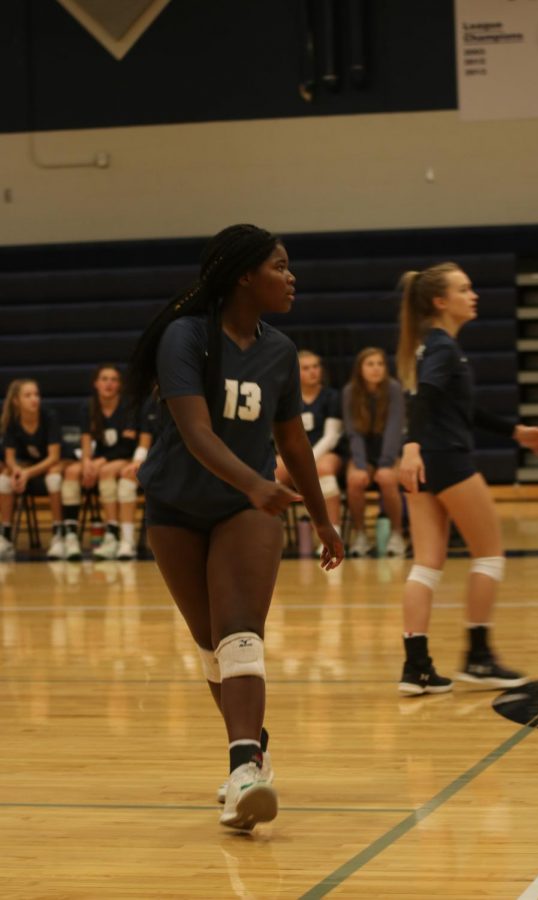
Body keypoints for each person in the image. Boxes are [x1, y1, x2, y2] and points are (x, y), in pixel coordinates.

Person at [126, 224, 344, 832]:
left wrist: (322, 518)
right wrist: (254, 480)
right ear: (245, 274)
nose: (291, 276)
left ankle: (245, 771)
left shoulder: (280, 351)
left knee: (240, 631)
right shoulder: (185, 337)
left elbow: (293, 440)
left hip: (246, 510)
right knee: (211, 648)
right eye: (280, 266)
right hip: (176, 508)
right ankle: (254, 744)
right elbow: (195, 433)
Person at [396, 262, 538, 694]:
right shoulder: (443, 348)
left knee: (427, 564)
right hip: (445, 459)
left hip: (427, 461)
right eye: (464, 289)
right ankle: (479, 658)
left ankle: (417, 668)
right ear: (440, 301)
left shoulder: (432, 347)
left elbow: (460, 410)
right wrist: (411, 446)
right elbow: (427, 400)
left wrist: (516, 432)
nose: (475, 295)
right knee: (489, 554)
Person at [61, 364, 137, 561]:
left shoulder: (128, 407)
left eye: (113, 379)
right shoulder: (88, 407)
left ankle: (112, 534)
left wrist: (99, 462)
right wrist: (87, 463)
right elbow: (85, 440)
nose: (109, 383)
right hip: (98, 460)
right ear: (96, 383)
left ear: (119, 385)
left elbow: (127, 447)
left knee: (106, 472)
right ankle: (69, 536)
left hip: (123, 458)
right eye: (104, 379)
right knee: (71, 472)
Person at [275, 349, 343, 553]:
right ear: (296, 372)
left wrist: (304, 461)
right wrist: (294, 461)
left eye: (316, 367)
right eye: (306, 368)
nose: (313, 372)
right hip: (294, 455)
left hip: (325, 453)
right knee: (274, 470)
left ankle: (333, 538)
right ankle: (271, 534)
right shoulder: (286, 396)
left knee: (324, 468)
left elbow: (331, 437)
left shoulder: (332, 396)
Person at [342, 347, 406, 557]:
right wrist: (361, 466)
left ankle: (397, 534)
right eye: (370, 364)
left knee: (387, 479)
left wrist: (386, 463)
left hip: (388, 450)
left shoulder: (394, 389)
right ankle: (360, 535)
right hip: (363, 452)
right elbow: (353, 433)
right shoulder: (350, 391)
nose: (376, 369)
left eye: (380, 364)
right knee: (354, 480)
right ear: (360, 369)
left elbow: (394, 429)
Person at [0, 379, 65, 560]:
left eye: (36, 394)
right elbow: (10, 458)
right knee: (4, 478)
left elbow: (54, 456)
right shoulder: (12, 421)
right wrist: (16, 472)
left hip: (51, 465)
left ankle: (58, 533)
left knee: (54, 475)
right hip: (27, 467)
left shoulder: (49, 417)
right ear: (16, 401)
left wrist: (26, 473)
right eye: (28, 395)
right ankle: (5, 535)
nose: (34, 399)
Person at [114, 394, 160, 560]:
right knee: (127, 480)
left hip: (177, 463)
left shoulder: (186, 397)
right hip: (154, 463)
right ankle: (127, 542)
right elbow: (144, 442)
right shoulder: (151, 402)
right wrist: (137, 462)